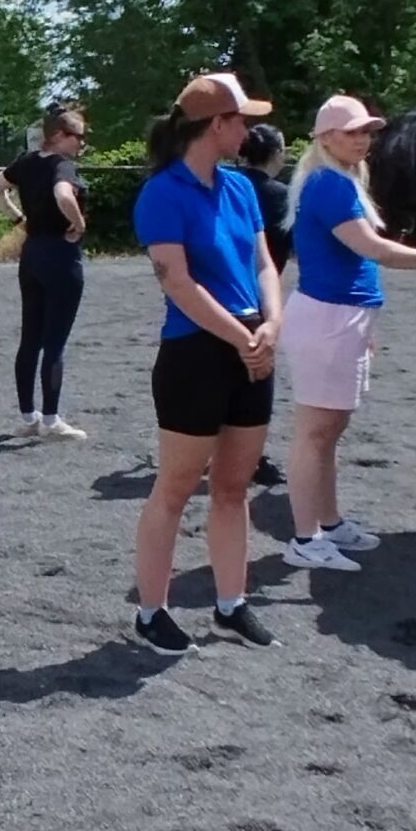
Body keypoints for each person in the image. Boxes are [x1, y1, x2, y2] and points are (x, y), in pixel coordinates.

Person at [279, 95, 416, 573]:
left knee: (328, 432)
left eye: (366, 131)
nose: (363, 139)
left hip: (341, 317)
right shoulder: (330, 184)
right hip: (328, 316)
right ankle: (305, 537)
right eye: (352, 132)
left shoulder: (337, 180)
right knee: (315, 433)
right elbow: (374, 248)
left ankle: (327, 524)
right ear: (326, 138)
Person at [130, 72, 283, 656]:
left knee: (234, 486)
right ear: (216, 125)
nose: (249, 130)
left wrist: (271, 324)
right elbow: (178, 283)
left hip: (250, 343)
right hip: (196, 353)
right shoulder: (162, 193)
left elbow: (264, 264)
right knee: (175, 487)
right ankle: (151, 612)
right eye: (241, 120)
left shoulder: (240, 188)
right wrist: (243, 337)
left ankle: (230, 605)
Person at [0, 104, 90, 439]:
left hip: (31, 253)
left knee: (30, 338)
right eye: (78, 137)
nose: (81, 144)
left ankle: (28, 416)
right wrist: (79, 223)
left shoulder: (27, 161)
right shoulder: (62, 165)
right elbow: (63, 195)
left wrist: (19, 218)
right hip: (61, 253)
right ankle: (51, 419)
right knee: (55, 342)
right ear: (59, 135)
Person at [236, 122, 293, 489]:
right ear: (276, 154)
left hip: (220, 290)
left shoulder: (226, 184)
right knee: (255, 375)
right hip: (260, 294)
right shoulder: (282, 196)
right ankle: (251, 457)